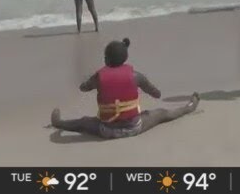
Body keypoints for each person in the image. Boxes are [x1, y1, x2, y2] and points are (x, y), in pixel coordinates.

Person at [49, 38, 200, 139]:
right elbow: (156, 93)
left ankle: (59, 123)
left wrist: (91, 77)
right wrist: (154, 92)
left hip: (106, 130)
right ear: (125, 58)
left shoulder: (99, 77)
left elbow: (83, 88)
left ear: (107, 59)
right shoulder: (136, 76)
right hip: (133, 127)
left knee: (82, 122)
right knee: (163, 113)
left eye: (105, 57)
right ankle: (190, 106)